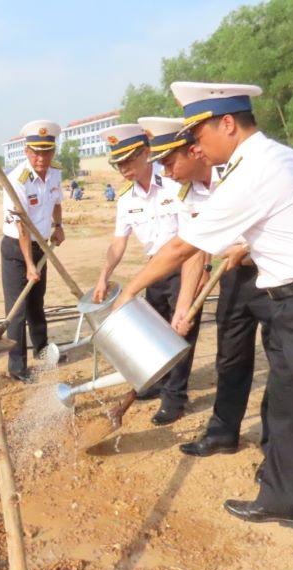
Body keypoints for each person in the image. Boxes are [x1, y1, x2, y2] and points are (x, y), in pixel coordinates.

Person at [114, 82, 293, 570]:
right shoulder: (284, 158)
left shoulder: (255, 170)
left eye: (199, 134)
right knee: (285, 408)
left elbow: (178, 249)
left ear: (227, 124)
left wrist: (129, 293)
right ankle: (281, 499)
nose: (196, 147)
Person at [139, 118, 275, 459]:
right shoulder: (185, 192)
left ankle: (275, 450)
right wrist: (182, 309)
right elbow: (194, 250)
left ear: (193, 151)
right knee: (230, 358)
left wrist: (246, 248)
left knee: (281, 364)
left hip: (273, 273)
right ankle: (223, 433)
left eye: (171, 163)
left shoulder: (238, 172)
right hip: (234, 279)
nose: (167, 173)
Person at [91, 123, 206, 425]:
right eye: (118, 163)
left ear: (145, 153)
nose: (123, 168)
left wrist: (202, 268)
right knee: (153, 334)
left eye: (129, 160)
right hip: (155, 270)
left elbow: (195, 236)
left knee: (180, 331)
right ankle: (155, 382)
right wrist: (104, 274)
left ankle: (175, 398)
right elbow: (119, 242)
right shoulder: (126, 199)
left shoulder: (175, 182)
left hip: (186, 266)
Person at [1, 120, 66, 382]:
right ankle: (17, 367)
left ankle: (42, 352)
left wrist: (58, 226)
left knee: (37, 304)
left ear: (53, 152)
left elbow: (57, 202)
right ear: (27, 152)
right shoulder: (17, 179)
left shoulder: (55, 173)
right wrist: (28, 264)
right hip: (17, 249)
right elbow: (22, 226)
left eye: (47, 152)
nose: (42, 158)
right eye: (36, 152)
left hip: (40, 246)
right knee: (17, 311)